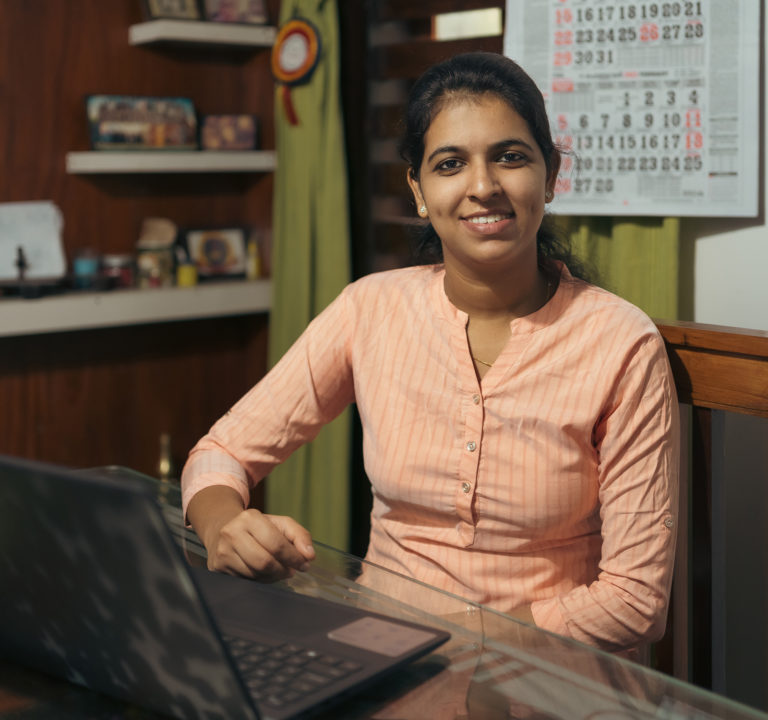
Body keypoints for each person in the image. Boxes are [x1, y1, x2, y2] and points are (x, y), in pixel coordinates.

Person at [181, 52, 679, 654]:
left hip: (548, 679)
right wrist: (221, 526)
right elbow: (222, 452)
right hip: (382, 658)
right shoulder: (371, 310)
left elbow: (633, 601)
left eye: (511, 157)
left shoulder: (621, 343)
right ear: (419, 190)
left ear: (549, 176)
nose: (483, 186)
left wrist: (456, 642)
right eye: (450, 164)